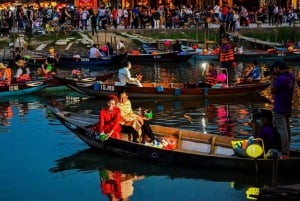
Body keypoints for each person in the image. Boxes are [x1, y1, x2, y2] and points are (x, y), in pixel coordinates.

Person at [271, 60, 295, 159]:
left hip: (280, 107)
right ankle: (286, 150)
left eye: (274, 68)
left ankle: (285, 152)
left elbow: (273, 90)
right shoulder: (291, 77)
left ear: (277, 68)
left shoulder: (281, 79)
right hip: (287, 106)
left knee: (282, 130)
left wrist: (273, 79)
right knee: (287, 129)